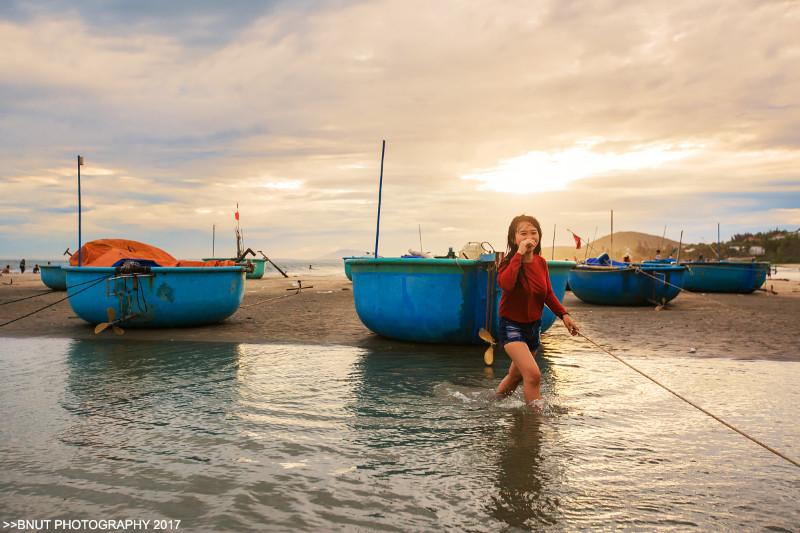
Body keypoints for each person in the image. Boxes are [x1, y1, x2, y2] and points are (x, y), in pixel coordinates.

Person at [494, 215, 579, 409]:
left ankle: (492, 405)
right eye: (523, 233)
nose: (529, 237)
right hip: (511, 326)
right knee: (533, 375)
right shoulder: (507, 263)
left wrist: (564, 315)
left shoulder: (541, 263)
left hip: (533, 328)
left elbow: (547, 293)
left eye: (533, 233)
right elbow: (506, 285)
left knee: (515, 376)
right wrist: (519, 255)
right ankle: (534, 424)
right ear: (514, 239)